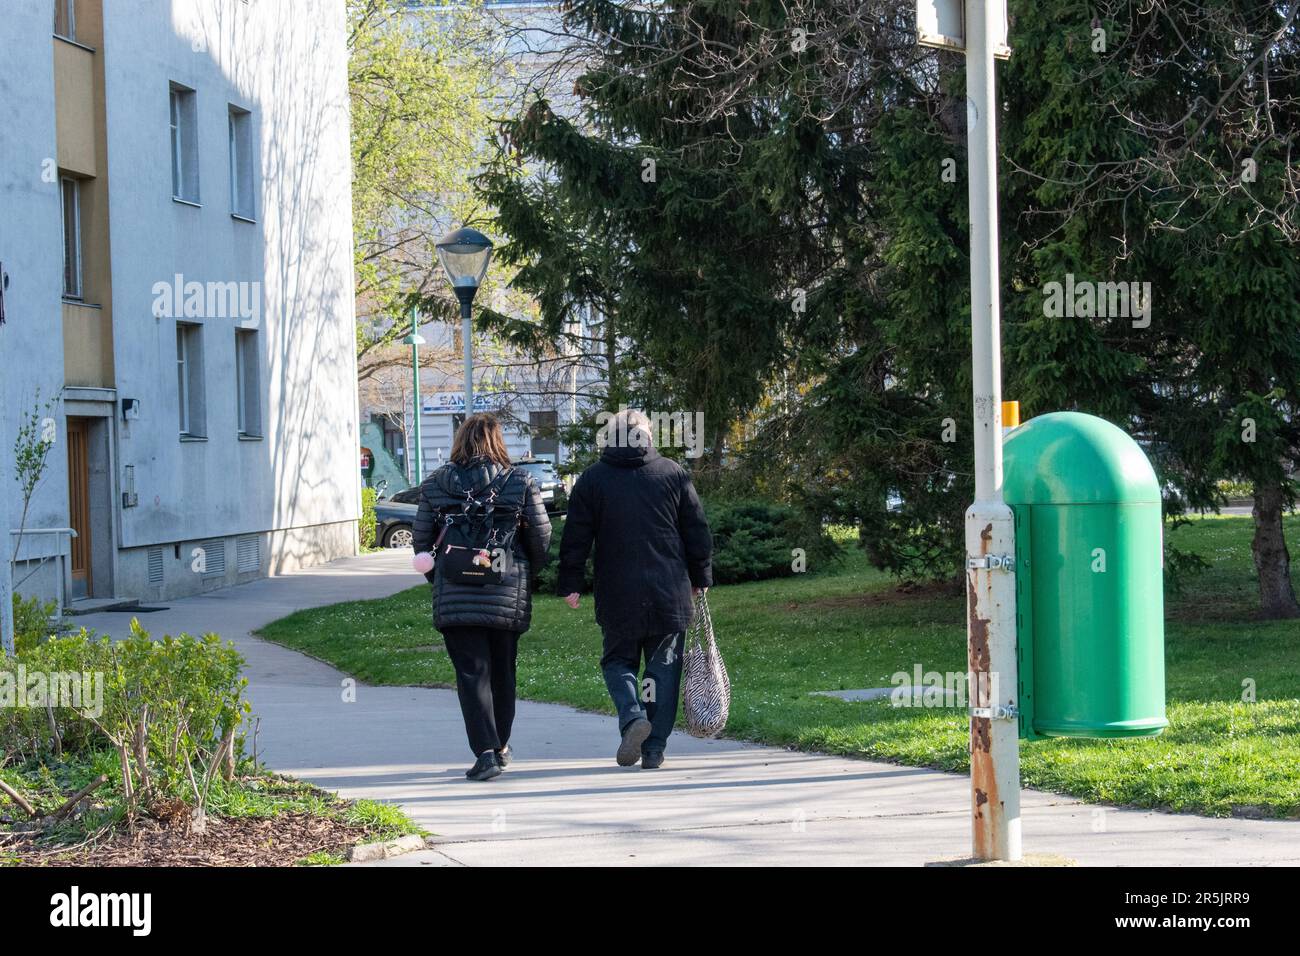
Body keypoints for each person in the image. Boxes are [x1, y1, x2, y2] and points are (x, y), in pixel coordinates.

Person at [558, 409, 713, 769]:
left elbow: (576, 537)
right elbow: (696, 531)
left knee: (617, 661)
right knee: (663, 669)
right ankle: (654, 748)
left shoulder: (593, 480)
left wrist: (570, 583)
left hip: (618, 593)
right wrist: (700, 577)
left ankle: (632, 715)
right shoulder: (672, 473)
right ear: (648, 437)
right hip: (669, 591)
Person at [412, 414, 551, 781]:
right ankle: (501, 747)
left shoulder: (436, 483)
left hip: (456, 593)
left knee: (472, 674)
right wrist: (524, 572)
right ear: (497, 441)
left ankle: (486, 753)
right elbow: (540, 536)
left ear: (460, 441)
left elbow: (422, 541)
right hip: (505, 590)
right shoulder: (520, 481)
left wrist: (439, 575)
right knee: (503, 672)